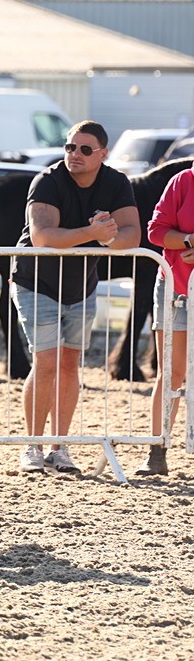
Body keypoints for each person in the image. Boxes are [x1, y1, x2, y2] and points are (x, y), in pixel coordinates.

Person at [11, 120, 140, 475]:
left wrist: (107, 237)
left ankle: (59, 448)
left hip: (82, 286)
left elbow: (132, 235)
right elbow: (42, 237)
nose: (75, 155)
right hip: (35, 282)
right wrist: (93, 232)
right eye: (69, 147)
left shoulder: (116, 182)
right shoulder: (48, 181)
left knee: (69, 365)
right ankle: (31, 448)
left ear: (103, 153)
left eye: (84, 149)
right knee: (46, 362)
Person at [139, 165, 194, 475]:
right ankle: (157, 450)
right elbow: (156, 231)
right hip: (175, 287)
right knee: (170, 372)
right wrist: (188, 240)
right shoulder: (182, 181)